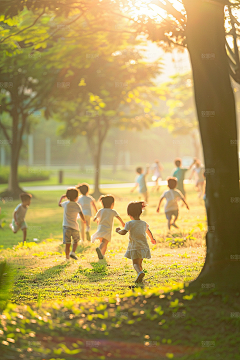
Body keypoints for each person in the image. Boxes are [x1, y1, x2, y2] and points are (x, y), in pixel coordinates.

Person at [116, 201, 156, 283]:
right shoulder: (144, 223)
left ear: (129, 214)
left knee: (135, 264)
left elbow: (123, 232)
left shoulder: (129, 223)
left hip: (134, 247)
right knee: (140, 263)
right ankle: (140, 276)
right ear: (140, 212)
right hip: (143, 246)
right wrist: (152, 239)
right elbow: (148, 231)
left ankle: (140, 273)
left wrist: (118, 231)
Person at [91, 195, 125, 260]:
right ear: (112, 204)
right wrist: (122, 223)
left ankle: (102, 255)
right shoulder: (112, 211)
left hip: (100, 228)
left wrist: (95, 220)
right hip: (107, 229)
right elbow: (118, 217)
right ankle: (100, 249)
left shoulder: (100, 210)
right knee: (105, 242)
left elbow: (95, 218)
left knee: (102, 242)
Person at [58, 187, 86, 261]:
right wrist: (84, 220)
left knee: (67, 243)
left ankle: (67, 257)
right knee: (76, 241)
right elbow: (81, 214)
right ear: (77, 197)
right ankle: (73, 252)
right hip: (74, 227)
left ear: (67, 196)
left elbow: (59, 204)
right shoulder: (77, 205)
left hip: (66, 227)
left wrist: (61, 198)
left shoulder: (66, 204)